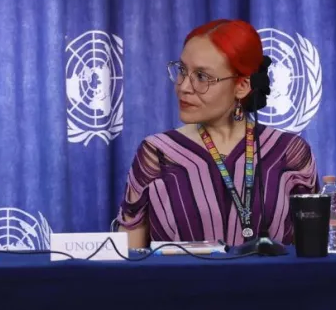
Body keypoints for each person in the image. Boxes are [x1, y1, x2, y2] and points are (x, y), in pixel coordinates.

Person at [117, 19, 318, 248]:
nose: (183, 86)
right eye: (182, 71)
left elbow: (315, 253)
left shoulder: (289, 152)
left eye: (202, 77)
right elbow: (129, 259)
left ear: (241, 86)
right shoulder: (156, 154)